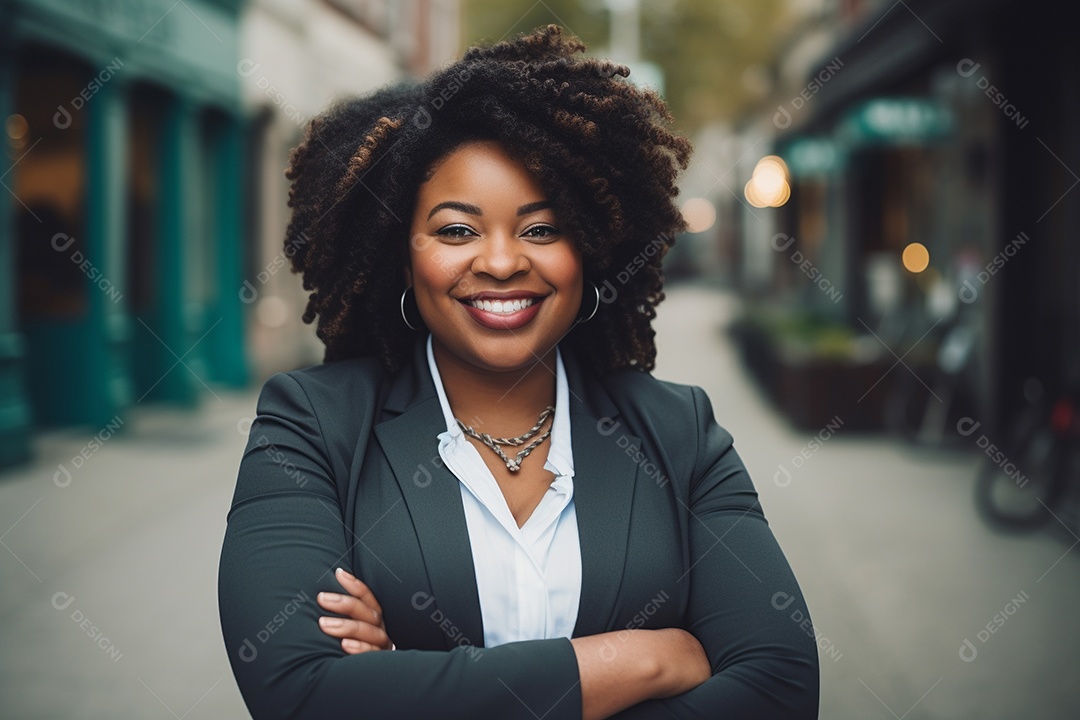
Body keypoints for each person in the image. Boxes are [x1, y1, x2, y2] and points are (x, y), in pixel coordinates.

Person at [218, 24, 819, 720]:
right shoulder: (312, 426)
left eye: (540, 229)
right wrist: (642, 660)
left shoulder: (679, 433)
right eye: (456, 230)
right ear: (401, 255)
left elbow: (779, 690)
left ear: (589, 249)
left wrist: (414, 685)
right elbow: (300, 694)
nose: (502, 262)